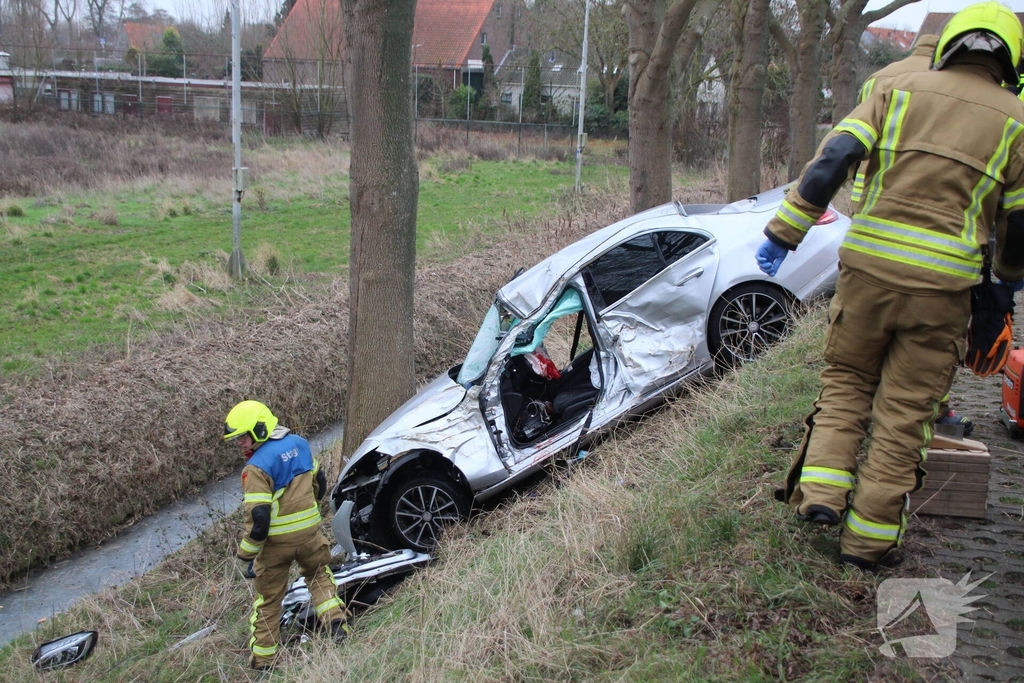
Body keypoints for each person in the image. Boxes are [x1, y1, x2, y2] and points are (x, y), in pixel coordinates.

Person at [755, 2, 1024, 570]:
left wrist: (785, 232)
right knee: (904, 414)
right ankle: (868, 544)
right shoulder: (1017, 119)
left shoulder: (896, 89)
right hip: (943, 291)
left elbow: (834, 159)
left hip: (869, 274)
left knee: (848, 380)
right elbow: (1018, 226)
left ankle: (822, 496)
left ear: (949, 44)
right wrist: (1003, 290)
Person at [223, 400, 350, 670]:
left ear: (259, 429)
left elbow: (259, 520)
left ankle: (264, 660)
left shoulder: (255, 468)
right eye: (237, 439)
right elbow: (321, 481)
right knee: (319, 577)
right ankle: (337, 625)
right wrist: (311, 509)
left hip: (276, 545)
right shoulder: (300, 444)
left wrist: (246, 555)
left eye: (243, 437)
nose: (240, 444)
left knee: (269, 600)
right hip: (309, 535)